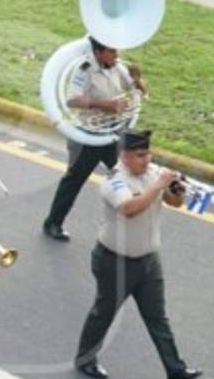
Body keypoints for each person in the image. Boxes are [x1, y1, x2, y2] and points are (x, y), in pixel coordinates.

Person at [72, 129, 202, 379]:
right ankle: (85, 358)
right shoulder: (114, 180)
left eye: (148, 153)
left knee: (157, 316)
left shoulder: (152, 173)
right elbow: (129, 209)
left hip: (148, 259)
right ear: (124, 156)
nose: (147, 159)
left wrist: (176, 189)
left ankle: (175, 368)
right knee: (104, 313)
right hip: (115, 261)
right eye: (140, 155)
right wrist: (158, 185)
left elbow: (174, 203)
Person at [42, 35, 144, 242]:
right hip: (88, 136)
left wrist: (138, 80)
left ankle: (131, 228)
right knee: (74, 181)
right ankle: (52, 223)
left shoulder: (117, 67)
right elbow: (72, 99)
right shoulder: (84, 69)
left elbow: (138, 92)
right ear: (98, 53)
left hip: (112, 133)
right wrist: (104, 105)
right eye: (112, 51)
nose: (117, 56)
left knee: (126, 176)